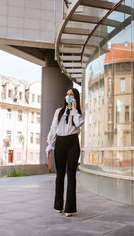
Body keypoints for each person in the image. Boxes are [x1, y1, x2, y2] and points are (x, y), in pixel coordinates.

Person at [45, 87, 84, 217]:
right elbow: (53, 127)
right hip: (60, 142)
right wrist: (50, 144)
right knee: (60, 175)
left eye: (71, 94)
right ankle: (58, 205)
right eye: (67, 94)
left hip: (73, 143)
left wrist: (73, 109)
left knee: (71, 175)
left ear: (75, 97)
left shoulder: (79, 113)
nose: (68, 96)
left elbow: (78, 124)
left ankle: (70, 208)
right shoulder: (59, 112)